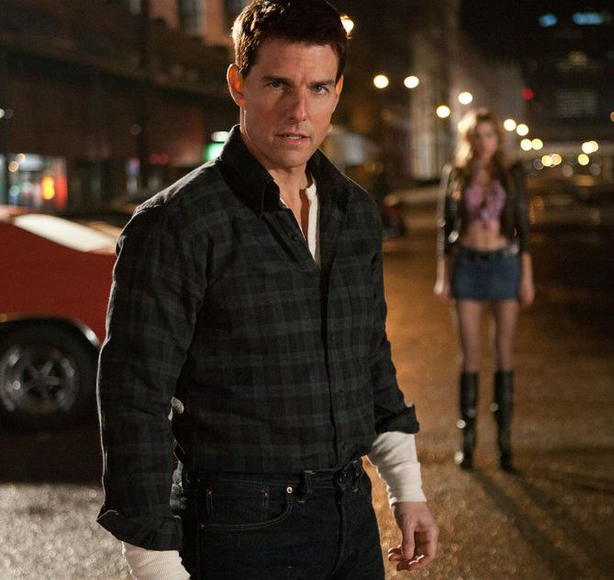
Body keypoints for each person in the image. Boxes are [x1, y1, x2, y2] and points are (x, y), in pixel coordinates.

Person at [96, 1, 439, 579]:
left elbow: (369, 360)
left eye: (318, 88)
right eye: (277, 84)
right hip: (239, 529)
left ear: (337, 92)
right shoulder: (176, 223)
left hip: (351, 515)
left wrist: (407, 489)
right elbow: (134, 398)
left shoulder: (354, 212)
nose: (299, 111)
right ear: (239, 83)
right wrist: (153, 561)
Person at [434, 108, 534, 472]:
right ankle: (469, 441)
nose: (484, 142)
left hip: (505, 265)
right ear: (469, 139)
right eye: (477, 135)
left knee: (504, 354)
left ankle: (504, 444)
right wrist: (443, 276)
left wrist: (527, 277)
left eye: (489, 135)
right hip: (467, 267)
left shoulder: (511, 173)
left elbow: (523, 226)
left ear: (498, 139)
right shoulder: (456, 173)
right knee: (470, 357)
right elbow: (445, 225)